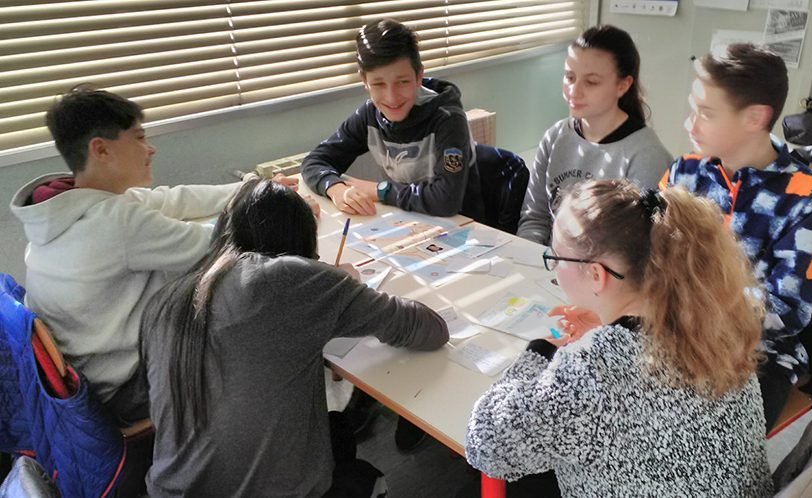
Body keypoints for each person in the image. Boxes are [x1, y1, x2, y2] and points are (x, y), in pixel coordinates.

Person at [8, 87, 318, 425]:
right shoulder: (115, 224)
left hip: (90, 377)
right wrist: (281, 210)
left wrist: (253, 188)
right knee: (264, 328)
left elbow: (171, 199)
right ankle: (309, 422)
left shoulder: (63, 207)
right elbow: (217, 246)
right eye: (139, 138)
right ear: (101, 149)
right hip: (127, 389)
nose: (150, 148)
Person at [140, 179, 449, 497]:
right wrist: (341, 285)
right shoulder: (291, 279)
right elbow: (430, 329)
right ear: (299, 240)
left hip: (169, 489)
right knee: (362, 473)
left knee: (338, 432)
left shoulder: (167, 300)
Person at [466, 180, 773, 496]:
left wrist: (543, 350)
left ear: (596, 274)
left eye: (556, 257)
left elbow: (486, 445)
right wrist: (605, 330)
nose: (554, 268)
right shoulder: (715, 321)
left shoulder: (593, 369)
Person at [659, 44, 812, 430]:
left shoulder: (807, 195)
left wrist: (693, 301)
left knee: (694, 444)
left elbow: (788, 310)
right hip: (671, 330)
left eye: (706, 114)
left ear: (755, 117)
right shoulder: (686, 171)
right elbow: (650, 254)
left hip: (759, 353)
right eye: (694, 109)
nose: (690, 125)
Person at [301, 19, 484, 221]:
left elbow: (446, 200)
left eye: (403, 82)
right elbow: (314, 161)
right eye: (378, 84)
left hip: (463, 230)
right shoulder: (369, 114)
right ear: (364, 82)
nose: (392, 97)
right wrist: (335, 188)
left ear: (419, 76)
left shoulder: (448, 119)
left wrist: (380, 190)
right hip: (407, 223)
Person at [517, 25, 672, 245]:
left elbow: (640, 250)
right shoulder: (555, 137)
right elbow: (534, 219)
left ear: (623, 85)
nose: (575, 91)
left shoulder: (646, 156)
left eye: (591, 82)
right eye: (570, 78)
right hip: (550, 267)